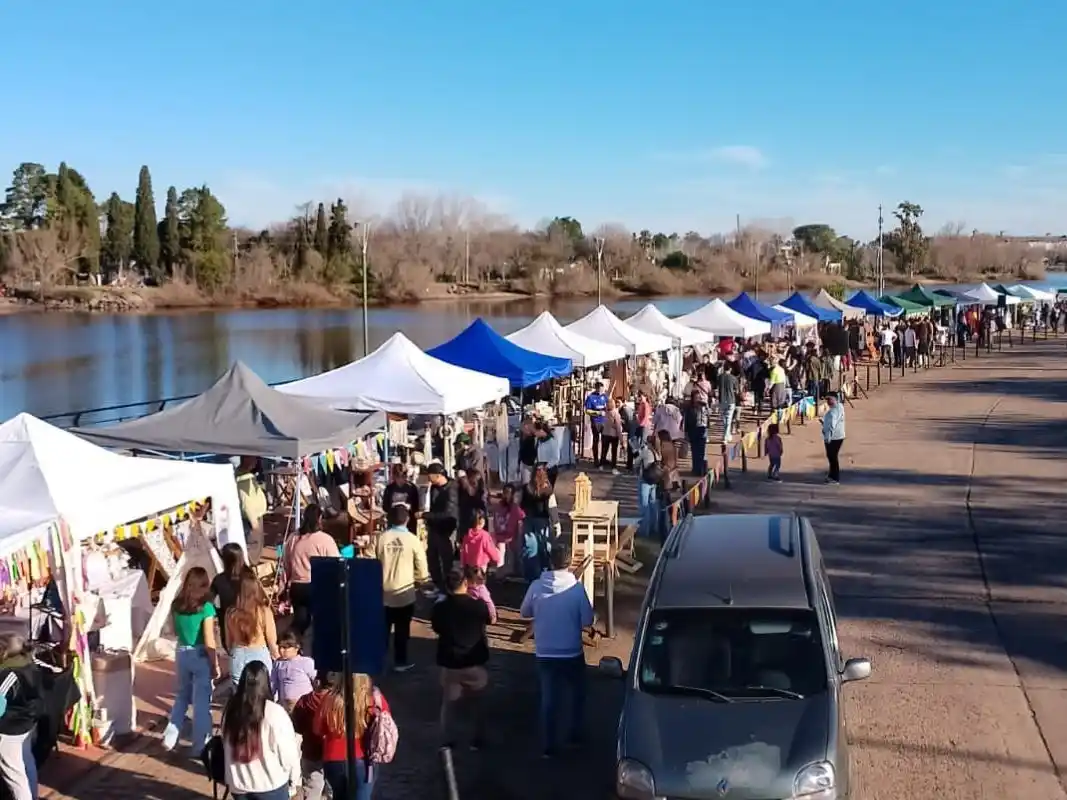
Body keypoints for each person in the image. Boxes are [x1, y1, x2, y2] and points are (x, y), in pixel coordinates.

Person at [519, 544, 594, 759]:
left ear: (550, 562)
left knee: (549, 699)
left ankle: (549, 746)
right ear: (569, 563)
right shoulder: (576, 589)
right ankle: (574, 735)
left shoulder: (536, 586)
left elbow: (524, 612)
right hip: (571, 651)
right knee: (577, 695)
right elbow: (587, 620)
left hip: (545, 651)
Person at [431, 566, 491, 749]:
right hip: (474, 662)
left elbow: (436, 628)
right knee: (478, 704)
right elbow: (487, 619)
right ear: (465, 583)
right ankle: (477, 740)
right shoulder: (478, 605)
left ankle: (448, 741)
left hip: (451, 663)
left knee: (449, 705)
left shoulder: (440, 608)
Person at [223, 661, 301, 800]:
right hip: (270, 785)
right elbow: (288, 752)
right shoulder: (274, 712)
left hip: (238, 784)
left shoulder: (230, 710)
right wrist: (294, 781)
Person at [163, 566, 220, 752]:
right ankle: (200, 746)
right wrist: (215, 663)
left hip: (181, 652)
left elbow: (173, 631)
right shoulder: (207, 608)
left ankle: (170, 736)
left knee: (181, 697)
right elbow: (209, 638)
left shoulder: (176, 605)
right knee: (201, 702)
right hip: (200, 653)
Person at [312, 673, 390, 800]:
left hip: (333, 758)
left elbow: (317, 729)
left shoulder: (329, 699)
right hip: (363, 758)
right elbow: (386, 724)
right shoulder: (374, 699)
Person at [377, 504, 430, 672]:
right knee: (402, 630)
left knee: (382, 630)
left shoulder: (381, 538)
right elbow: (421, 565)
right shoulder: (413, 540)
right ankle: (400, 662)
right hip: (405, 593)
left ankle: (379, 661)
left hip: (383, 593)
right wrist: (423, 580)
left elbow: (370, 559)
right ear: (407, 519)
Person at [285, 504, 340, 637]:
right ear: (319, 519)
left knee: (300, 621)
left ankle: (292, 643)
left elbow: (287, 563)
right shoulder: (325, 540)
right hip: (316, 585)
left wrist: (284, 585)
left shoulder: (293, 538)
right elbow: (335, 564)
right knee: (322, 621)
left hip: (297, 585)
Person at [0, 634, 42, 800]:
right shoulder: (30, 664)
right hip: (27, 723)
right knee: (26, 764)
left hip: (10, 728)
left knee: (15, 776)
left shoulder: (9, 673)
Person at [227, 572, 278, 687]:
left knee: (239, 697)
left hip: (238, 655)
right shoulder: (264, 612)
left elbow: (229, 643)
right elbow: (272, 642)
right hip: (260, 655)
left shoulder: (231, 613)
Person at [422, 463, 459, 596]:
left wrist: (425, 515)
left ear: (438, 475)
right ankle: (439, 586)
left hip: (447, 529)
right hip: (434, 527)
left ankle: (448, 589)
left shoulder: (452, 489)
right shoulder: (434, 487)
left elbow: (449, 513)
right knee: (432, 558)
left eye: (429, 475)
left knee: (447, 560)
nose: (427, 478)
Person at [212, 542, 252, 652]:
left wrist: (219, 613)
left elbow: (210, 602)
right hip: (250, 621)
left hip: (227, 625)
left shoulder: (219, 580)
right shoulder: (250, 577)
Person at [519, 465, 556, 582]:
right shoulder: (548, 489)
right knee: (544, 547)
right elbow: (551, 506)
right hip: (542, 521)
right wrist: (555, 521)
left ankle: (531, 578)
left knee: (530, 548)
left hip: (529, 520)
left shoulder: (526, 488)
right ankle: (545, 574)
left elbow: (521, 505)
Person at [271, 630, 316, 713]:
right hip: (284, 706)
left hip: (303, 706)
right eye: (279, 647)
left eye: (285, 648)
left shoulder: (306, 662)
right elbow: (273, 684)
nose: (281, 650)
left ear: (297, 647)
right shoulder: (278, 664)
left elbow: (316, 682)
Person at [491, 484, 525, 578]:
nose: (507, 495)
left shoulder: (515, 508)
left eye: (509, 493)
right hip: (501, 536)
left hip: (511, 536)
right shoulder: (499, 507)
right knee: (501, 554)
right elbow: (495, 521)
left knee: (514, 553)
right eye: (505, 493)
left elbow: (522, 517)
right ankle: (500, 574)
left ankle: (516, 571)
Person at [637, 436, 663, 539]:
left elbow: (637, 462)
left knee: (644, 505)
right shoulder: (658, 453)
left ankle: (644, 531)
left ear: (650, 443)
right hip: (655, 480)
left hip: (645, 480)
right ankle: (654, 528)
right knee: (653, 504)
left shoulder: (646, 452)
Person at [382, 464, 420, 533]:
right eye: (398, 477)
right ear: (394, 477)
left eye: (404, 477)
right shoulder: (389, 489)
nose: (401, 479)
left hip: (409, 523)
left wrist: (409, 506)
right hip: (393, 523)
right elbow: (385, 506)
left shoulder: (412, 488)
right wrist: (393, 506)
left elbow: (416, 507)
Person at [685, 385, 710, 477]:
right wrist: (686, 432)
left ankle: (701, 469)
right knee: (694, 450)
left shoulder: (703, 406)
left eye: (699, 397)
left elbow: (708, 416)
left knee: (701, 451)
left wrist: (706, 406)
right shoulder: (689, 407)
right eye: (696, 397)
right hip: (692, 430)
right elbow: (686, 419)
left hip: (702, 429)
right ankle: (696, 468)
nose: (698, 399)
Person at [821, 394, 846, 485]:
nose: (828, 401)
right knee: (832, 456)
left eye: (830, 399)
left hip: (834, 437)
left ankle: (834, 478)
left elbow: (832, 425)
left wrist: (828, 437)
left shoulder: (833, 412)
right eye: (827, 399)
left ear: (835, 399)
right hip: (839, 436)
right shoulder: (839, 407)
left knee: (832, 457)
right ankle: (832, 475)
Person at [583, 383, 608, 467]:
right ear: (596, 388)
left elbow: (608, 406)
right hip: (595, 422)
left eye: (603, 389)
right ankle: (596, 460)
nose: (602, 391)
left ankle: (603, 459)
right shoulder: (591, 397)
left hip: (604, 422)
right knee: (596, 440)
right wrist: (597, 412)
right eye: (600, 390)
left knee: (605, 441)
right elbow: (587, 411)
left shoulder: (604, 396)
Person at [716, 362, 740, 443]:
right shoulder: (733, 378)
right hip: (731, 400)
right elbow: (737, 391)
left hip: (722, 400)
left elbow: (716, 387)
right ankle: (726, 437)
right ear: (730, 369)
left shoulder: (719, 377)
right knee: (729, 419)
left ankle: (726, 435)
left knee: (724, 419)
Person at [600, 397, 623, 473]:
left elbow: (602, 423)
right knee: (614, 452)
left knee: (604, 450)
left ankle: (601, 465)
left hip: (605, 433)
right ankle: (613, 467)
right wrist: (622, 440)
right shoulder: (616, 414)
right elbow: (618, 427)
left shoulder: (605, 413)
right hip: (614, 435)